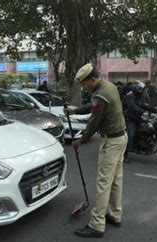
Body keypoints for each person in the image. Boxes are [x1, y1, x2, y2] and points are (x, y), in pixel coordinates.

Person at [64, 63, 127, 238]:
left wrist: (80, 140)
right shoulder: (109, 86)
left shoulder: (101, 95)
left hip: (111, 142)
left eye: (85, 84)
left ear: (93, 79)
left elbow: (94, 122)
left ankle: (97, 225)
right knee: (115, 181)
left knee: (103, 183)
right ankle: (115, 215)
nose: (84, 88)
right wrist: (75, 110)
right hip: (121, 138)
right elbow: (94, 108)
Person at [122, 80, 155, 163]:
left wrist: (153, 109)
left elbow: (142, 104)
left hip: (137, 118)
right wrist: (142, 112)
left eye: (141, 89)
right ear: (135, 89)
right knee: (131, 136)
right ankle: (125, 154)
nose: (141, 91)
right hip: (130, 119)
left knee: (148, 127)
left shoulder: (137, 97)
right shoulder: (130, 96)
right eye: (140, 89)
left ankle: (143, 144)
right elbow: (132, 107)